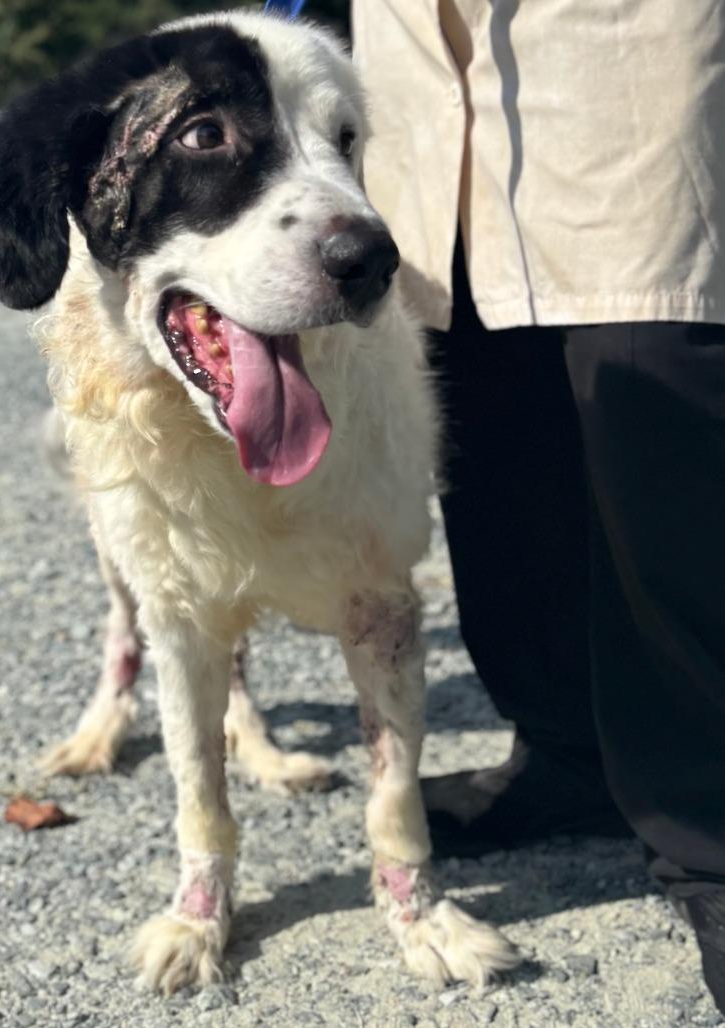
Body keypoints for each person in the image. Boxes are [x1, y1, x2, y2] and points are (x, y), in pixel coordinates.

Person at [351, 0, 725, 1012]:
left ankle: (709, 820)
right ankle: (567, 746)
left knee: (644, 360)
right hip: (415, 47)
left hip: (622, 31)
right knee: (474, 372)